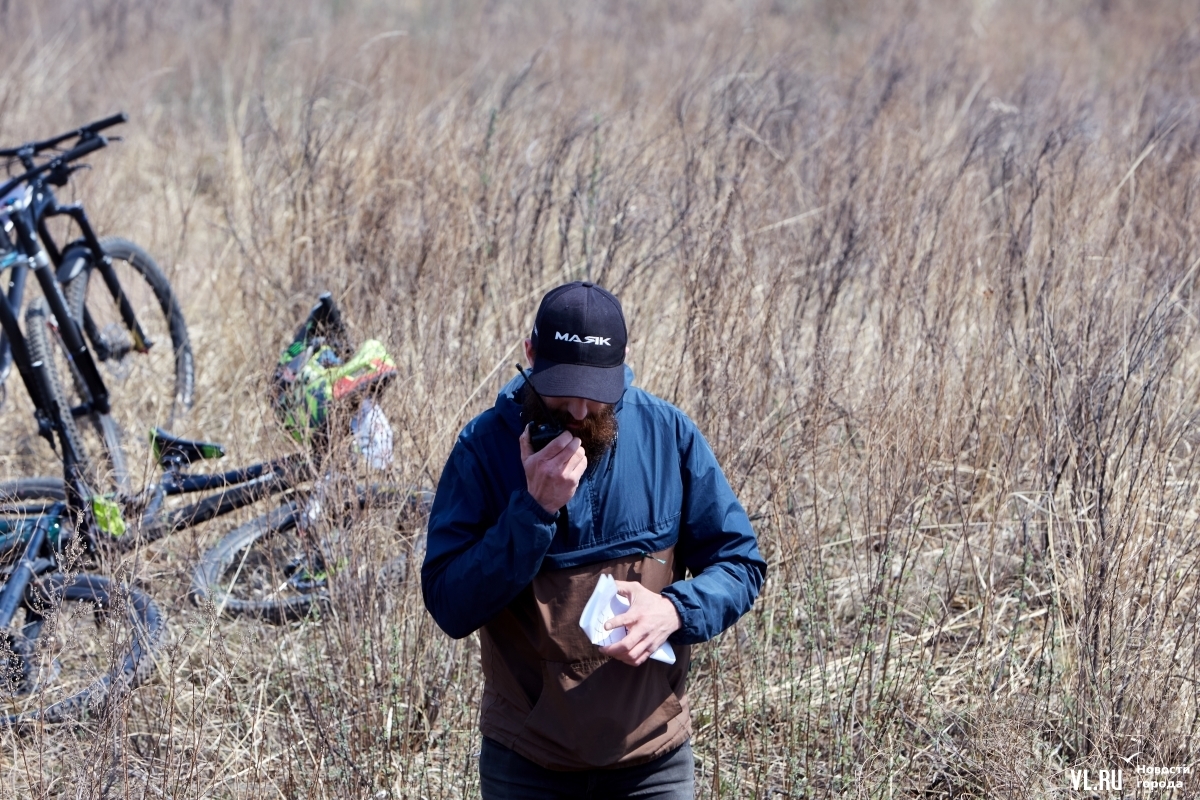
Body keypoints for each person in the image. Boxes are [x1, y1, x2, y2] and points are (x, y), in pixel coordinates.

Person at [422, 281, 767, 799]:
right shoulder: (482, 450)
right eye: (563, 389)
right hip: (526, 764)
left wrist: (673, 611)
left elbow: (740, 563)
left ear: (622, 368)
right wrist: (533, 510)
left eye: (596, 393)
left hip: (653, 761)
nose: (580, 412)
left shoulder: (667, 435)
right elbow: (450, 604)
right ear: (530, 356)